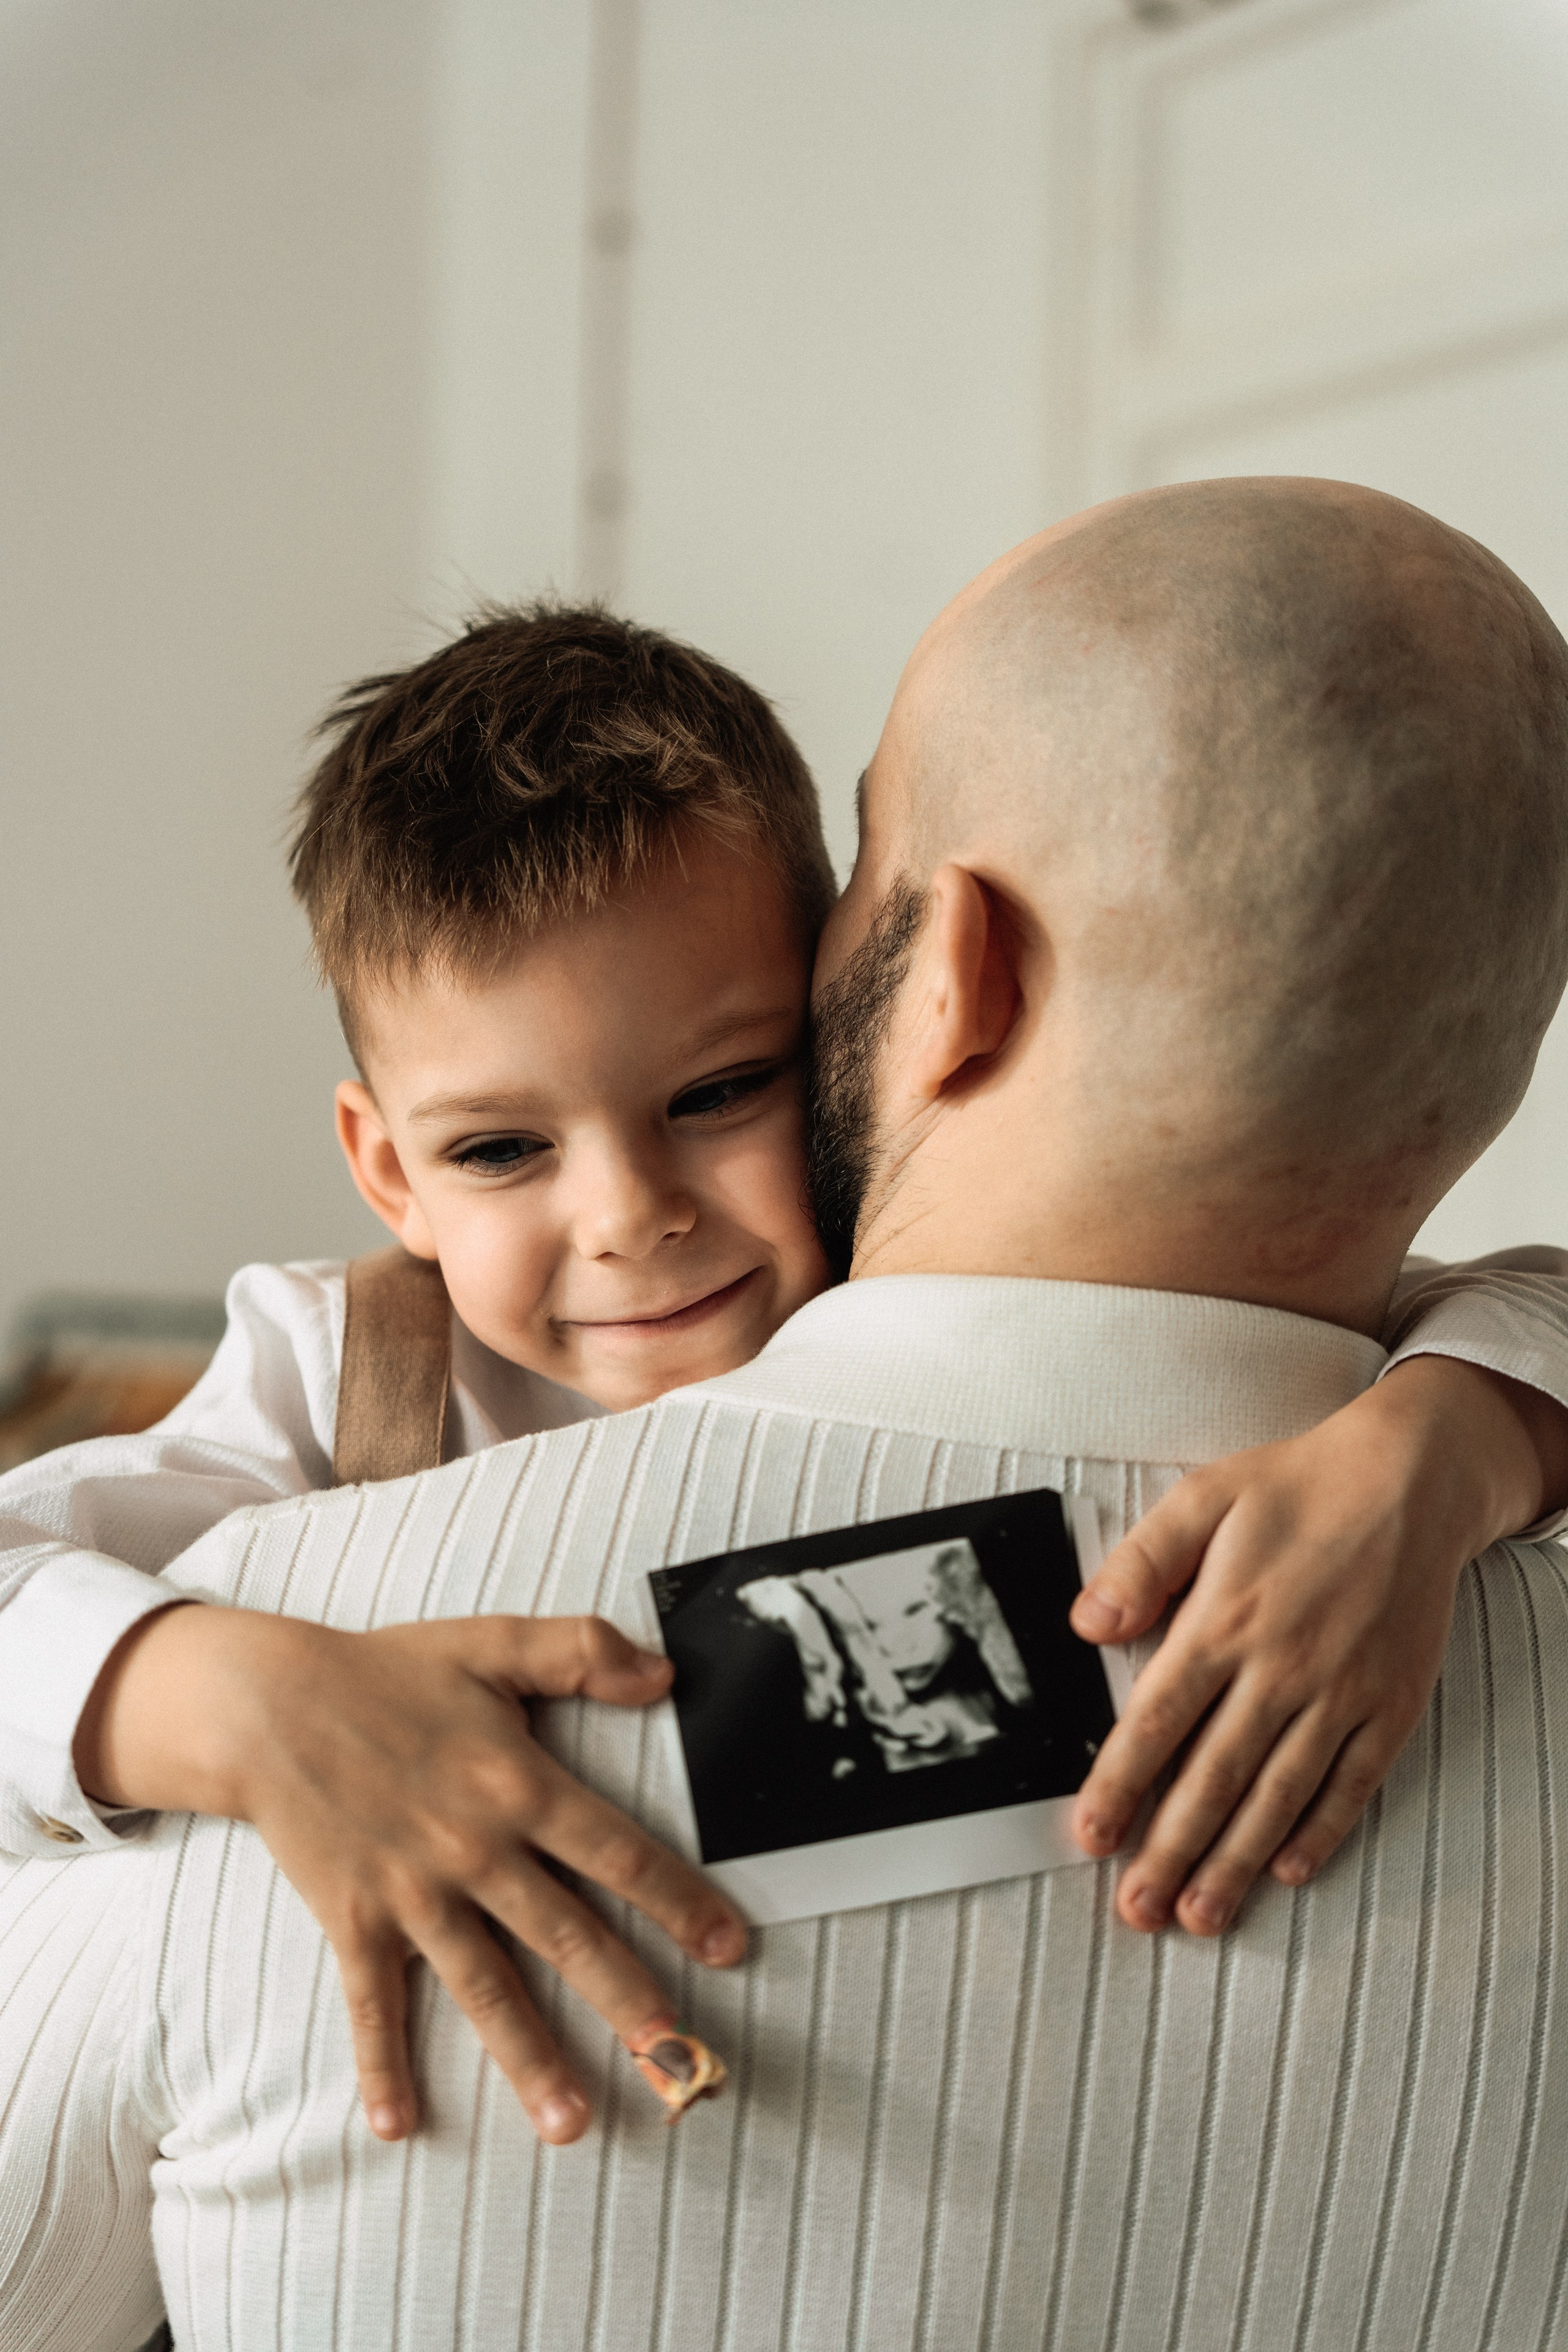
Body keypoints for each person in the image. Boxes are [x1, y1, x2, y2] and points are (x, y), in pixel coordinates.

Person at [4, 475, 1568, 2349]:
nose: (631, 1218)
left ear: (908, 986)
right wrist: (226, 1693)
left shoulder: (1385, 1441)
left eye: (725, 1085)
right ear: (387, 1171)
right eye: (501, 1147)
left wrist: (1455, 1435)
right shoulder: (338, 1395)